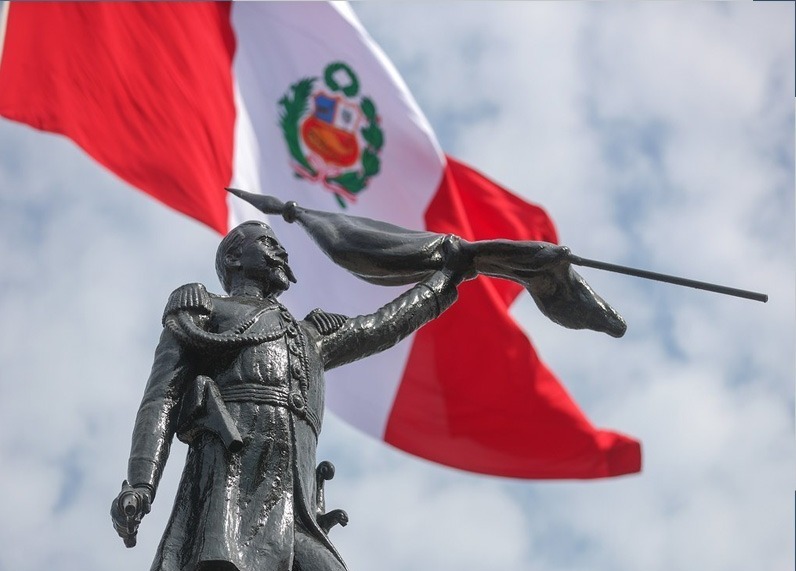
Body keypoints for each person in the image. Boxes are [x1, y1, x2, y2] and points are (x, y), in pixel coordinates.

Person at [111, 220, 482, 571]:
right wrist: (141, 485)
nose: (282, 254)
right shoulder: (205, 310)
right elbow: (161, 397)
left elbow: (380, 327)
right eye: (269, 243)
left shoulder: (307, 335)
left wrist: (445, 279)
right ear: (233, 258)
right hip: (229, 496)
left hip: (296, 506)